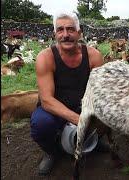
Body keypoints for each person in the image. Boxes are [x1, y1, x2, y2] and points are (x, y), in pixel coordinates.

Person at [30, 11, 104, 176]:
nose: (65, 35)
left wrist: (93, 117)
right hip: (55, 109)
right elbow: (47, 100)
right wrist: (79, 121)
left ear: (79, 32)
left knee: (107, 113)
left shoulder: (94, 56)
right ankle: (51, 152)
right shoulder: (45, 57)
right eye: (60, 30)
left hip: (84, 106)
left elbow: (100, 92)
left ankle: (95, 140)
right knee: (41, 124)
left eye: (70, 29)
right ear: (55, 34)